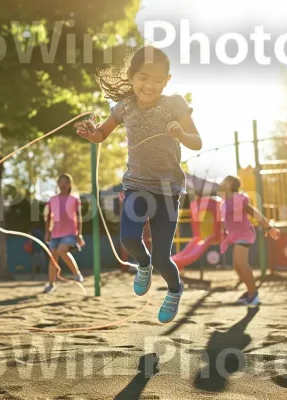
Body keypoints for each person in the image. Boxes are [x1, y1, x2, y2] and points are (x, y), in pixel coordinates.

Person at [74, 46, 203, 323]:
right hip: (136, 186)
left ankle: (174, 289)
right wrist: (90, 133)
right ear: (132, 77)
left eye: (158, 80)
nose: (150, 85)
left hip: (168, 191)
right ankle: (141, 265)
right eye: (144, 77)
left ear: (167, 80)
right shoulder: (124, 107)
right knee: (129, 238)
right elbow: (101, 135)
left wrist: (181, 133)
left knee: (162, 259)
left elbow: (197, 141)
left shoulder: (174, 104)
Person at [219, 175, 280, 307]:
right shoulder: (224, 202)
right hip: (236, 236)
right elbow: (226, 220)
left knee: (242, 264)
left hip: (244, 234)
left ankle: (253, 295)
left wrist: (269, 227)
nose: (220, 183)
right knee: (237, 266)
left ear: (230, 185)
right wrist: (224, 233)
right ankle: (250, 291)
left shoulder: (238, 200)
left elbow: (255, 213)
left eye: (223, 181)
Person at [43, 173, 86, 293]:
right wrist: (47, 232)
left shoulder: (74, 199)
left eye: (66, 182)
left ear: (69, 185)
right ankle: (51, 284)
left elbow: (78, 217)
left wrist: (79, 234)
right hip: (55, 233)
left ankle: (76, 274)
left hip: (69, 232)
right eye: (61, 182)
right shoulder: (52, 200)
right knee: (53, 259)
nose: (63, 184)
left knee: (62, 251)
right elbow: (48, 217)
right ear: (57, 184)